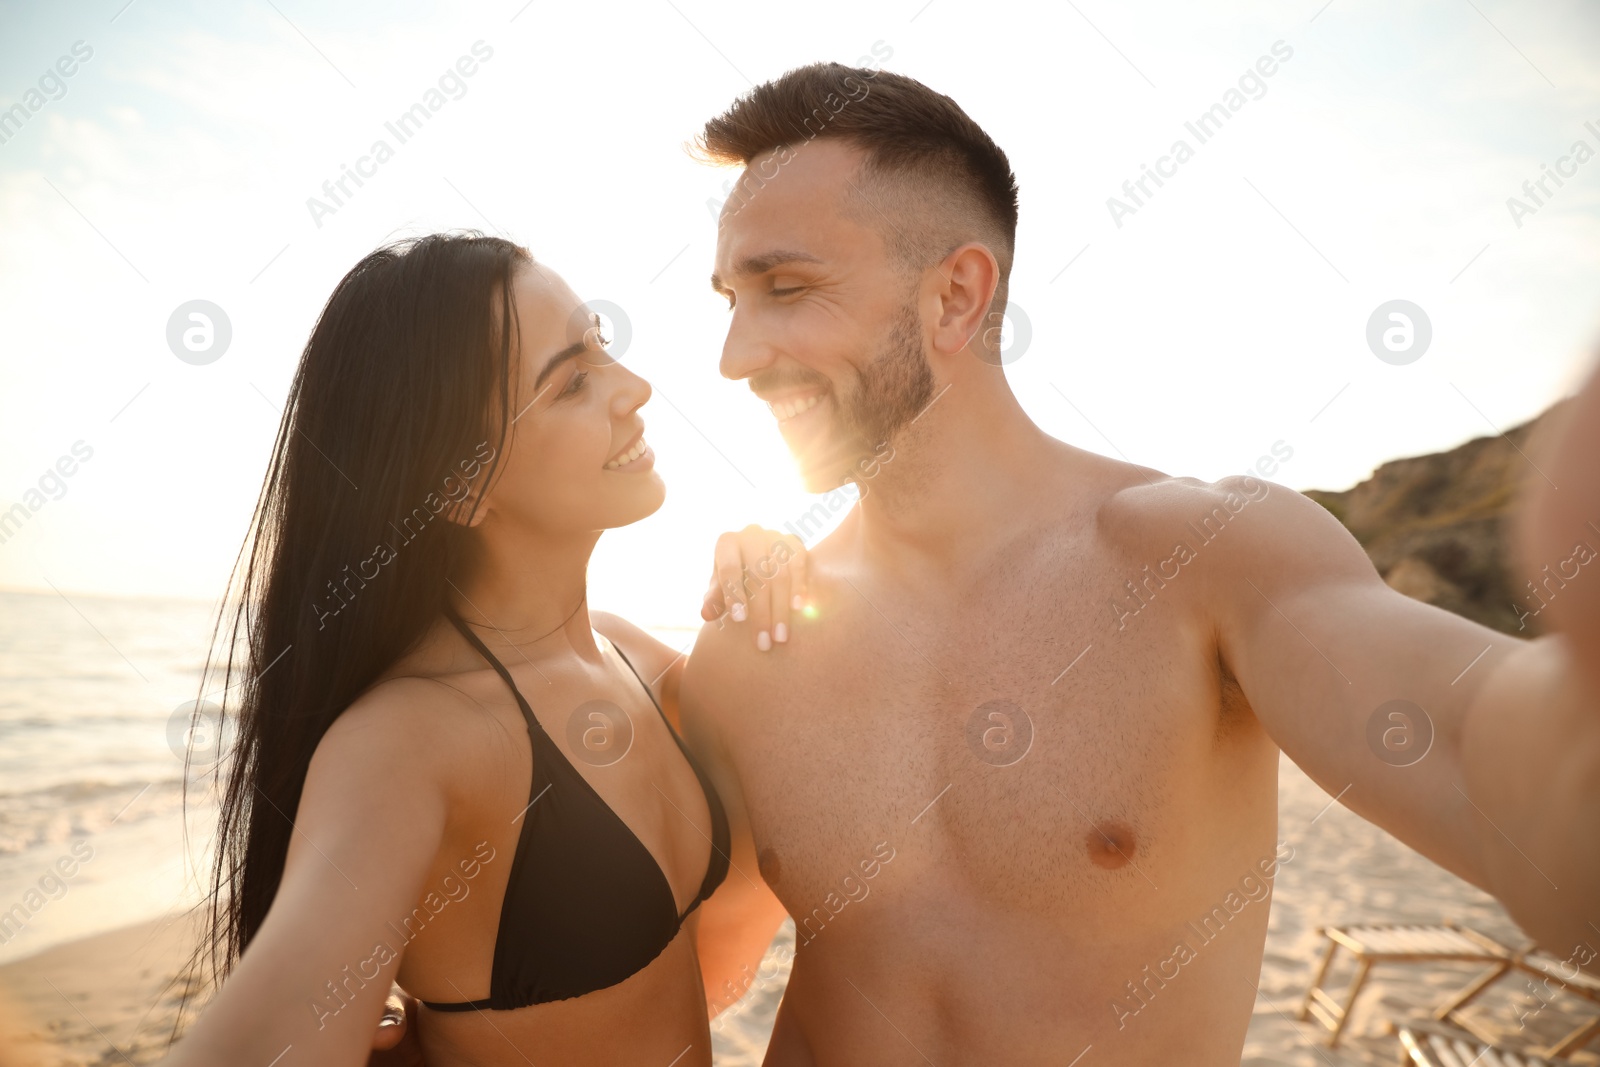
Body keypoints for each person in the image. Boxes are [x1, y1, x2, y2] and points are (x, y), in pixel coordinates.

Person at [668, 63, 1599, 1065]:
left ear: (956, 295)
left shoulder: (1199, 560)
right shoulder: (755, 638)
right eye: (730, 297)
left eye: (788, 289)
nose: (734, 355)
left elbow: (1491, 765)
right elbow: (696, 976)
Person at [162, 233, 793, 1067]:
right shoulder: (412, 740)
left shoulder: (632, 656)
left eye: (601, 343)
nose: (636, 388)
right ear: (460, 484)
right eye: (571, 382)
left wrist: (778, 584)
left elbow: (714, 958)